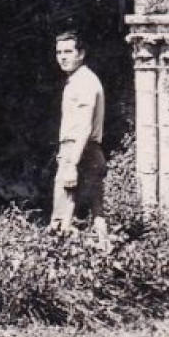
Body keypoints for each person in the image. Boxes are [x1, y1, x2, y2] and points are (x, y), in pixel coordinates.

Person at [49, 30, 108, 238]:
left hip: (78, 151)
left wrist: (72, 165)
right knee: (97, 212)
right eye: (59, 52)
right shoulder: (79, 80)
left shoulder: (84, 82)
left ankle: (61, 264)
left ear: (81, 54)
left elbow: (84, 126)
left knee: (62, 219)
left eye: (68, 51)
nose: (63, 57)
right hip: (88, 151)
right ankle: (105, 253)